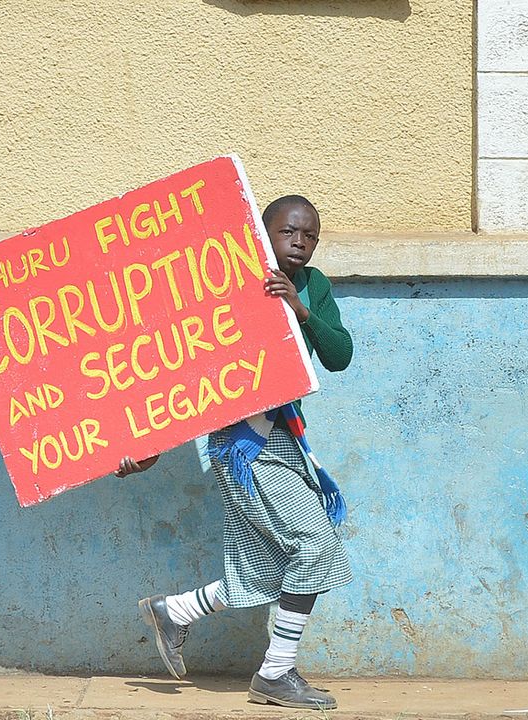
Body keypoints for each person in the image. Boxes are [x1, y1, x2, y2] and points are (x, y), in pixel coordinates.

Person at [115, 195, 353, 709]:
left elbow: (340, 355)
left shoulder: (315, 286)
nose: (301, 242)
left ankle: (174, 611)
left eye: (311, 235)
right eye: (290, 231)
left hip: (286, 437)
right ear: (261, 232)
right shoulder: (226, 282)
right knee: (315, 546)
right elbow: (188, 372)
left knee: (269, 568)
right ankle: (275, 673)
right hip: (242, 446)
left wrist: (299, 306)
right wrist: (151, 447)